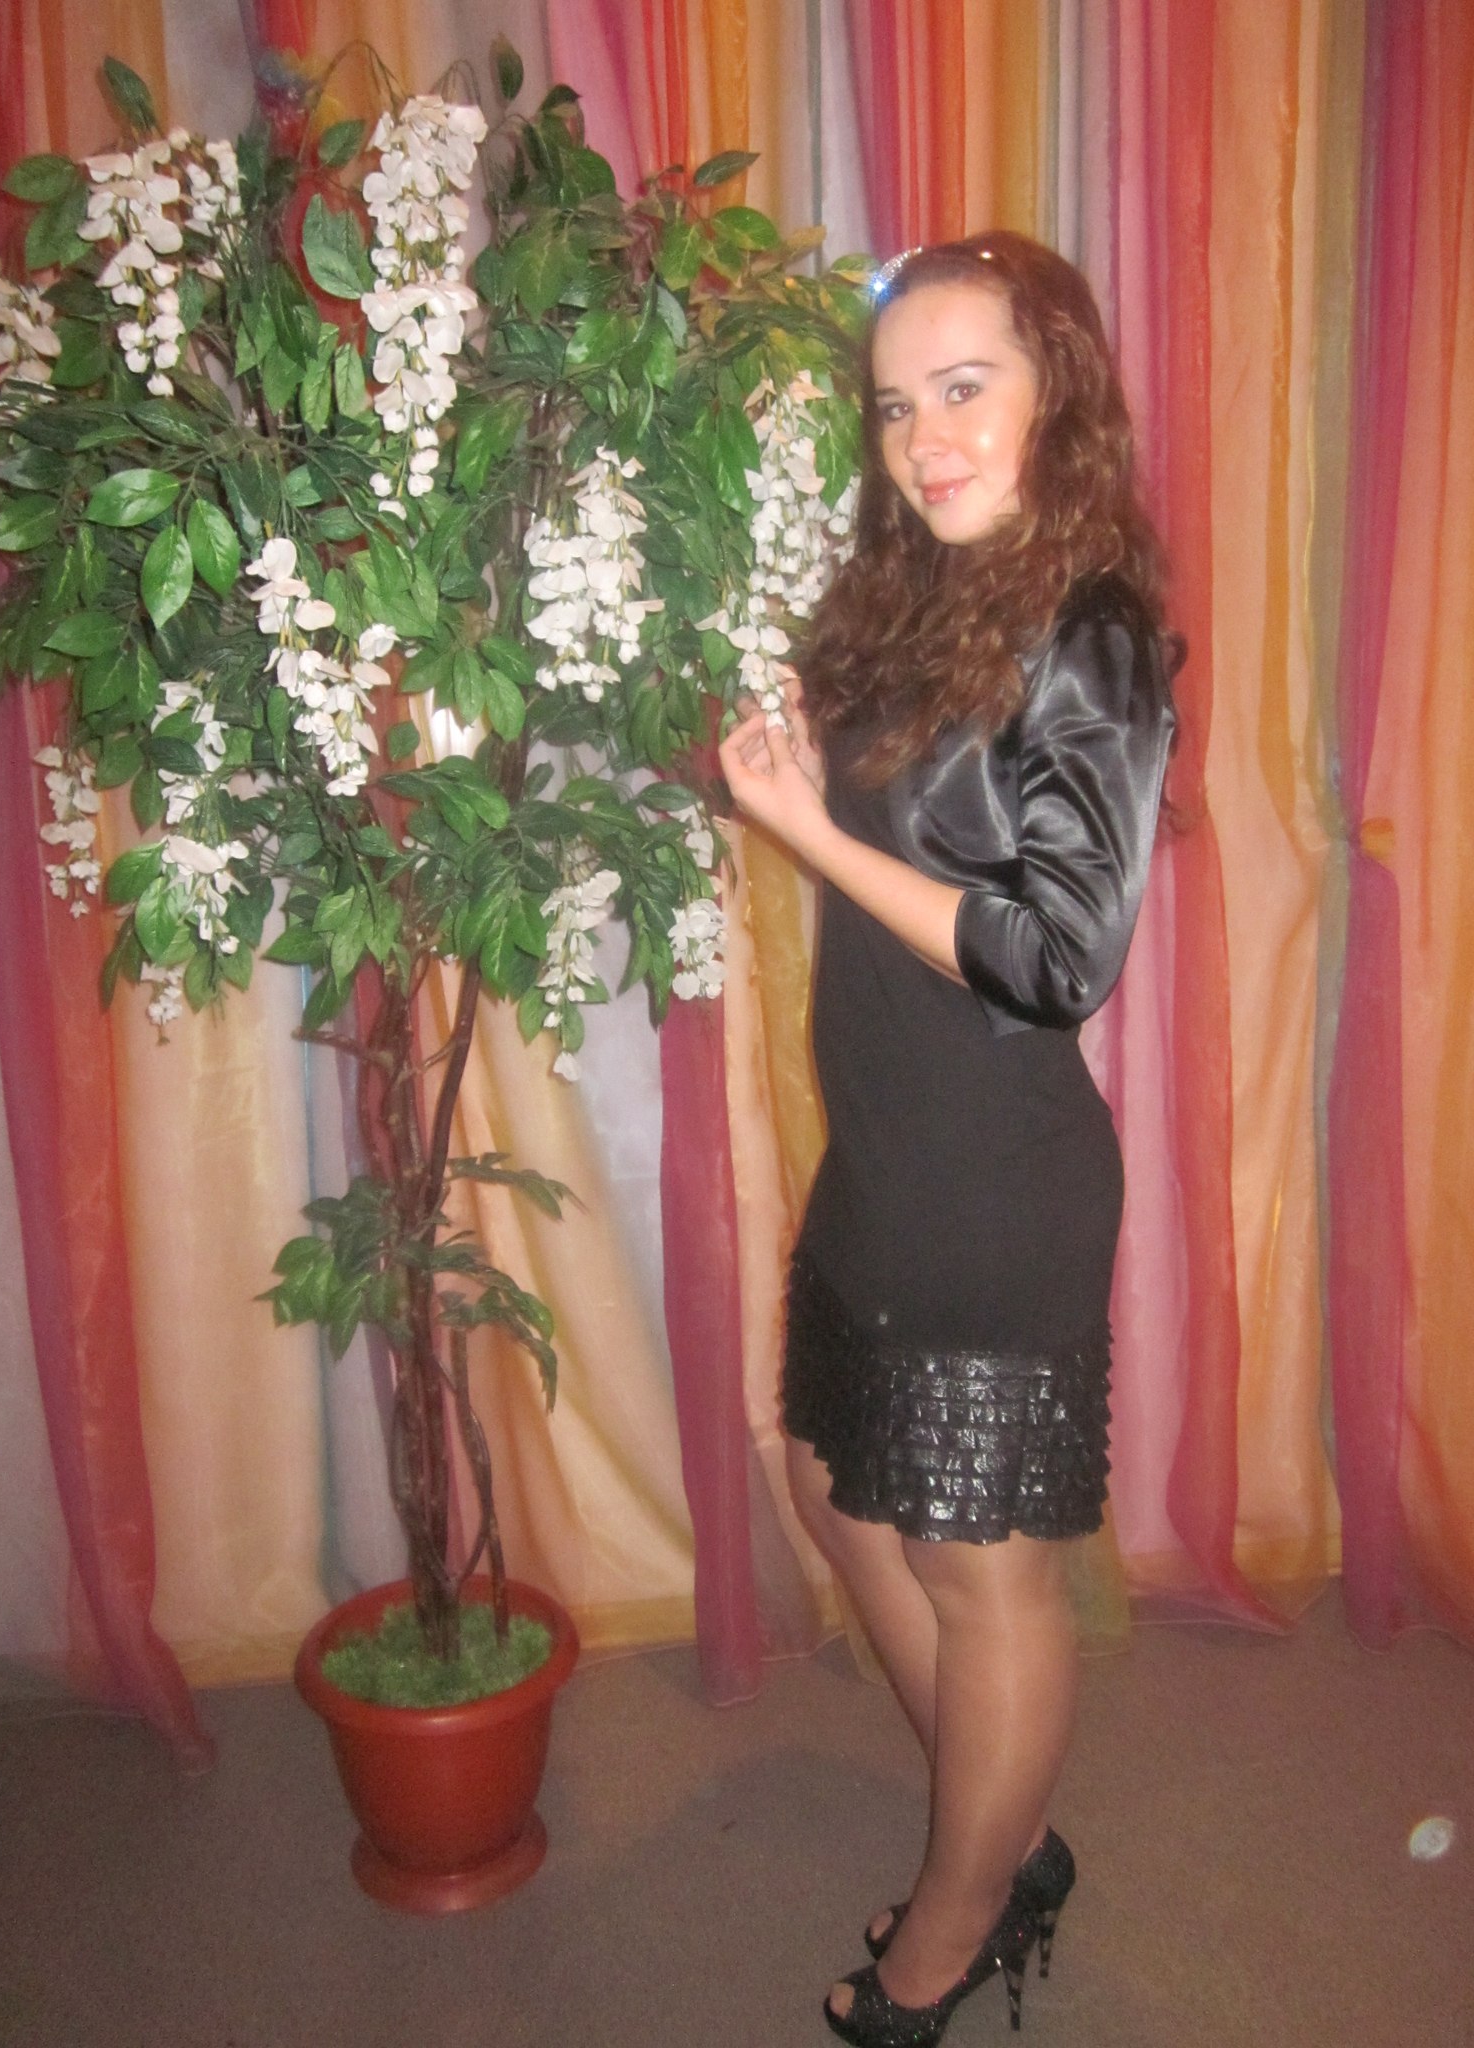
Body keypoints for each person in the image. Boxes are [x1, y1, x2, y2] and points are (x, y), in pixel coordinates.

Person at [719, 233, 1177, 2046]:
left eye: (966, 389)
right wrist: (792, 753)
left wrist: (809, 835)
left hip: (994, 1181)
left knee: (984, 1576)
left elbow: (1062, 958)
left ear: (1058, 388)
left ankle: (958, 1926)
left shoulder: (1094, 632)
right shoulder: (927, 596)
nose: (926, 440)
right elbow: (905, 817)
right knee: (837, 1491)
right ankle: (1007, 1831)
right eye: (898, 407)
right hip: (886, 1156)